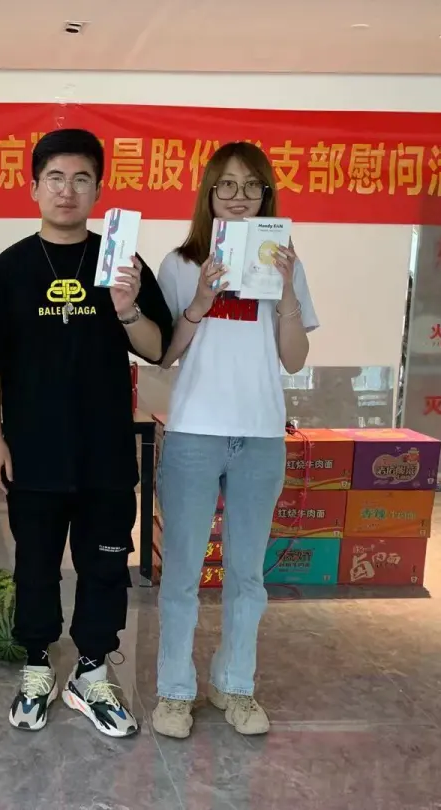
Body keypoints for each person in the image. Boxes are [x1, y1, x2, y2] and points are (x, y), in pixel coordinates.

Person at [0, 129, 173, 738]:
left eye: (81, 179)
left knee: (105, 565)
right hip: (32, 451)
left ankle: (91, 673)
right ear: (34, 187)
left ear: (97, 190)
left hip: (105, 452)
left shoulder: (123, 262)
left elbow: (158, 349)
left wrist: (126, 308)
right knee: (34, 566)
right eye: (55, 178)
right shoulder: (10, 269)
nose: (67, 190)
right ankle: (37, 665)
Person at [150, 142, 316, 739]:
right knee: (182, 574)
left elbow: (294, 359)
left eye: (251, 186)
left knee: (247, 575)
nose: (239, 196)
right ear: (209, 194)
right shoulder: (178, 262)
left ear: (267, 194)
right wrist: (200, 301)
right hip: (194, 433)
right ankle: (174, 691)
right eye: (227, 185)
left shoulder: (285, 261)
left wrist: (286, 291)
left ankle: (235, 685)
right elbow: (164, 354)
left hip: (261, 434)